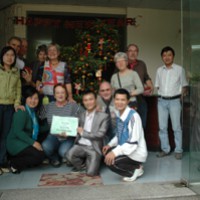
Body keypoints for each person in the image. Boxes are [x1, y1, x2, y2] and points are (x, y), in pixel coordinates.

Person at [103, 88, 148, 182]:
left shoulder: (133, 117)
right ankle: (134, 166)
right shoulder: (120, 114)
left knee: (110, 163)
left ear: (128, 101)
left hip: (135, 152)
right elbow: (119, 135)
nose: (119, 102)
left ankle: (136, 169)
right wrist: (110, 145)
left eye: (123, 100)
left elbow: (132, 143)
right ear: (114, 100)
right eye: (117, 99)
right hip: (126, 148)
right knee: (107, 154)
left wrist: (115, 152)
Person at [155, 46, 188, 160]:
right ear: (162, 57)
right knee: (162, 127)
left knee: (176, 127)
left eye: (169, 55)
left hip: (175, 101)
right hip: (161, 101)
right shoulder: (159, 70)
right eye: (164, 55)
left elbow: (184, 86)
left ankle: (178, 150)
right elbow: (157, 86)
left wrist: (180, 99)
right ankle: (165, 149)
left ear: (173, 56)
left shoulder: (180, 69)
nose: (167, 57)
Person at [6, 86, 49, 174]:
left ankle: (24, 161)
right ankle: (13, 163)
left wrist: (54, 127)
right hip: (15, 143)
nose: (33, 101)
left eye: (36, 98)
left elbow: (37, 129)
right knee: (39, 156)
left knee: (41, 153)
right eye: (30, 98)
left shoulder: (33, 112)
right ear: (25, 98)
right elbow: (18, 132)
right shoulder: (21, 112)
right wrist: (33, 143)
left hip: (25, 141)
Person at [67, 90, 109, 176]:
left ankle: (92, 162)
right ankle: (83, 165)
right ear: (83, 102)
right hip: (81, 145)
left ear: (95, 100)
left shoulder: (104, 116)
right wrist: (67, 132)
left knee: (91, 173)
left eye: (91, 99)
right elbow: (76, 131)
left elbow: (101, 134)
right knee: (68, 155)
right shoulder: (81, 115)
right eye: (85, 100)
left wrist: (83, 133)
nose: (88, 102)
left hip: (94, 147)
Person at [42, 83, 84, 167]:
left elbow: (85, 114)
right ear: (54, 95)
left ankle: (61, 154)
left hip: (68, 137)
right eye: (57, 93)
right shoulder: (49, 106)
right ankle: (54, 157)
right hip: (53, 136)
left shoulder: (73, 106)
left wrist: (80, 128)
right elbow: (38, 115)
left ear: (66, 94)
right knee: (45, 146)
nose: (60, 95)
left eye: (62, 92)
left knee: (63, 152)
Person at [0, 46, 23, 175]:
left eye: (12, 55)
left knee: (5, 135)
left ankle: (2, 161)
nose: (9, 57)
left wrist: (17, 103)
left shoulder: (16, 71)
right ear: (2, 56)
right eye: (7, 55)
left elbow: (18, 89)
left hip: (9, 107)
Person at [127, 43, 154, 128]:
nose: (133, 53)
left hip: (139, 97)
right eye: (130, 51)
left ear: (137, 53)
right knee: (128, 123)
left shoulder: (141, 64)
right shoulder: (122, 64)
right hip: (126, 98)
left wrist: (151, 86)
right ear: (126, 53)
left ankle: (140, 138)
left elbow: (146, 77)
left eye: (135, 51)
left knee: (142, 121)